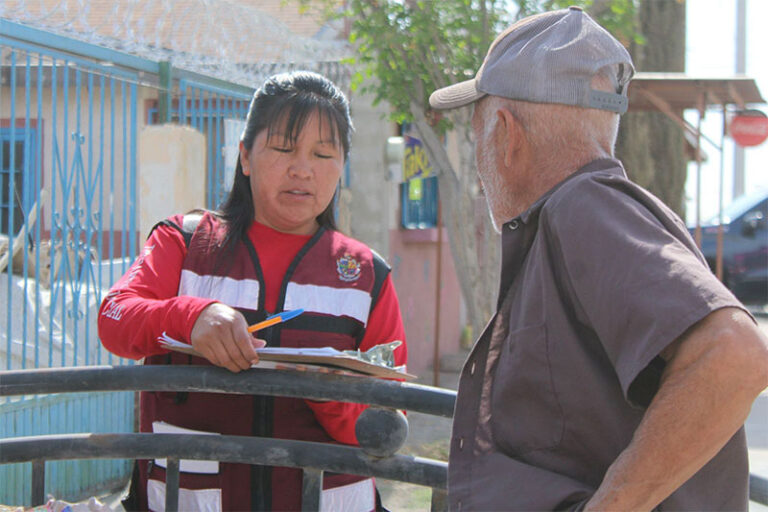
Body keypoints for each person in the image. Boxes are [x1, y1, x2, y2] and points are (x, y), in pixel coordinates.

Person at [429, 7, 768, 511]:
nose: (479, 154)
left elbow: (735, 355)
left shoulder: (583, 207)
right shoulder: (573, 217)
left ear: (506, 133)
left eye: (477, 130)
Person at [98, 71, 407, 512]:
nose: (302, 168)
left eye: (323, 153)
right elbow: (113, 320)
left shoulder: (365, 276)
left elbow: (389, 425)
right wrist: (191, 316)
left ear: (342, 166)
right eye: (283, 148)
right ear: (245, 156)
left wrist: (329, 395)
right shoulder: (184, 243)